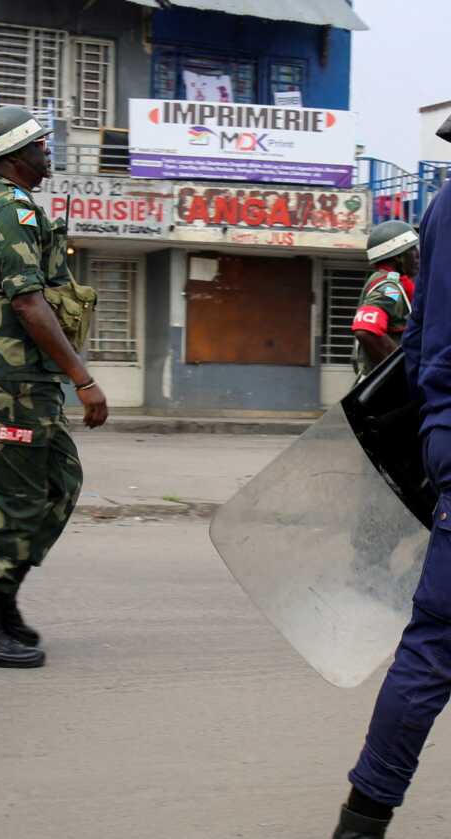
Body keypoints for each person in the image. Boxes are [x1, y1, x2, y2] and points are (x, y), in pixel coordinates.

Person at [330, 119, 451, 839]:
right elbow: (380, 335)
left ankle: (363, 817)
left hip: (441, 427)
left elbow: (418, 340)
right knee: (436, 638)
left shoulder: (437, 209)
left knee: (436, 636)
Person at [0, 106, 109, 670]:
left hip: (24, 374)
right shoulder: (9, 209)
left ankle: (2, 600)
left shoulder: (15, 206)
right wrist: (83, 378)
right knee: (18, 495)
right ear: (18, 156)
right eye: (42, 147)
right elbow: (27, 300)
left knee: (58, 483)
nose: (49, 154)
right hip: (10, 373)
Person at [352, 220, 419, 379]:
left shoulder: (389, 279)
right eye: (412, 248)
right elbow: (365, 329)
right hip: (387, 392)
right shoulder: (390, 288)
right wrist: (399, 371)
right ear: (398, 257)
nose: (417, 254)